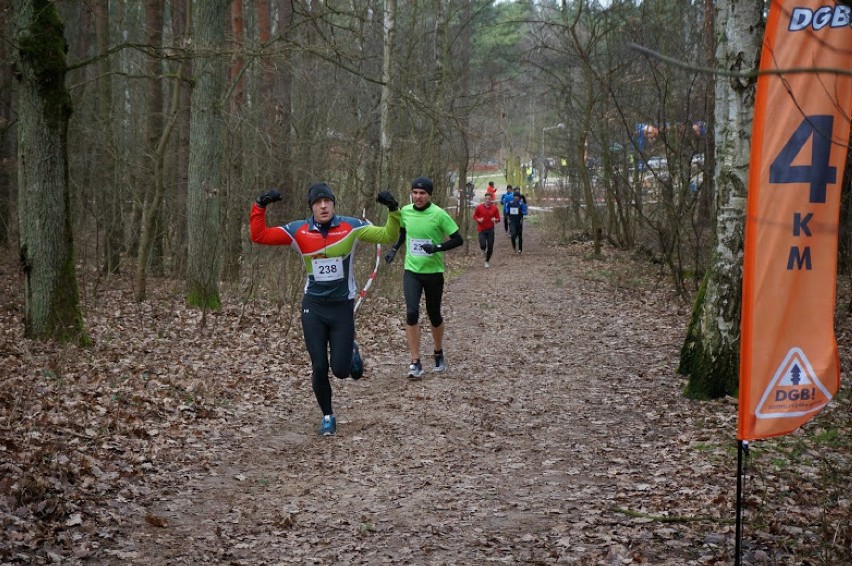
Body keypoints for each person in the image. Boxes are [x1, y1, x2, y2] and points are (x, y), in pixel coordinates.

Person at [250, 183, 401, 436]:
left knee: (341, 371)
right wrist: (260, 206)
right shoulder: (298, 230)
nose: (323, 206)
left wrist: (393, 210)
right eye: (318, 202)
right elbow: (260, 236)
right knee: (319, 365)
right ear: (311, 207)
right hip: (314, 308)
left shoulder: (350, 227)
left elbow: (387, 236)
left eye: (327, 201)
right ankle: (328, 416)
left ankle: (351, 350)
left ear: (333, 204)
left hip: (342, 307)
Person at [385, 176, 463, 379]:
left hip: (433, 273)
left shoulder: (439, 214)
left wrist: (437, 247)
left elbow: (458, 239)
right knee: (411, 312)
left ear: (429, 195)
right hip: (412, 271)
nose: (418, 197)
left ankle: (438, 352)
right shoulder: (406, 211)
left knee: (434, 314)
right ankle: (415, 361)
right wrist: (394, 249)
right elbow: (403, 232)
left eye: (422, 193)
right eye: (415, 192)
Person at [473, 191, 501, 267]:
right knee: (483, 245)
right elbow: (474, 216)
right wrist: (478, 219)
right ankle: (483, 250)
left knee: (490, 246)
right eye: (486, 198)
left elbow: (499, 219)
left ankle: (487, 261)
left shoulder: (495, 208)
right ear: (485, 199)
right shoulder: (479, 207)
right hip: (481, 229)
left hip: (490, 230)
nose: (488, 200)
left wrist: (495, 220)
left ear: (492, 200)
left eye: (489, 199)